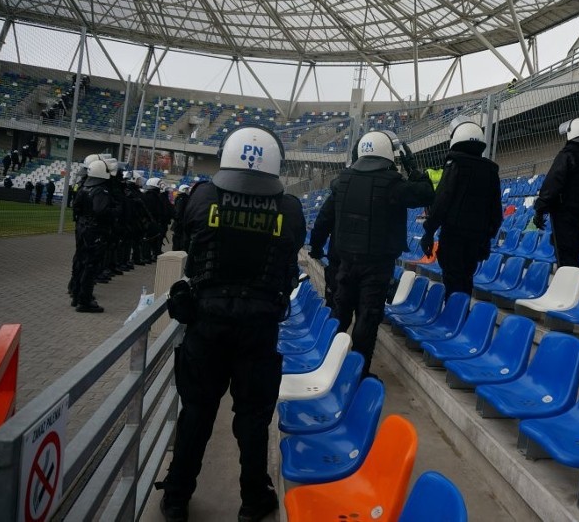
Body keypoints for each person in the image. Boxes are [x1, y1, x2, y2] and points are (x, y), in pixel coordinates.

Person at [157, 126, 305, 522]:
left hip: (207, 323)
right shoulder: (289, 207)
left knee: (197, 413)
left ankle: (175, 497)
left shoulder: (203, 195)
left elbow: (184, 245)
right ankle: (253, 499)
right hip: (259, 328)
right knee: (253, 420)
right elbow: (290, 257)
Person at [318, 131, 434, 376]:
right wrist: (412, 166)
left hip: (346, 261)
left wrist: (318, 247)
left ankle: (330, 365)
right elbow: (426, 193)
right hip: (377, 265)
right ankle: (358, 373)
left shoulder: (342, 181)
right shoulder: (393, 183)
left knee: (340, 313)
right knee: (367, 319)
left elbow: (325, 218)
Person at [421, 119, 502, 298]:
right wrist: (487, 237)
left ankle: (453, 317)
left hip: (454, 235)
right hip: (477, 237)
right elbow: (496, 210)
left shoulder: (455, 164)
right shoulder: (491, 171)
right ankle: (461, 315)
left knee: (453, 277)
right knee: (466, 277)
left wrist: (429, 232)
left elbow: (442, 200)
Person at [533, 118, 579, 268]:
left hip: (564, 210)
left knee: (564, 250)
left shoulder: (568, 155)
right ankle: (574, 278)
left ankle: (568, 284)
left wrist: (540, 209)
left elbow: (553, 184)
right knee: (576, 246)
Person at [71, 159, 115, 312]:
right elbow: (101, 211)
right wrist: (114, 212)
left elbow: (76, 207)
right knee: (91, 265)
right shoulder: (100, 190)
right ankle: (85, 300)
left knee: (81, 261)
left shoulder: (84, 188)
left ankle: (77, 295)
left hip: (83, 228)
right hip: (95, 231)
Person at [171, 184, 191, 251]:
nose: (188, 190)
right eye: (187, 189)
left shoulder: (181, 198)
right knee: (178, 238)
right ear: (184, 190)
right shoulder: (182, 198)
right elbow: (178, 211)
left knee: (180, 238)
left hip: (181, 222)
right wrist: (179, 220)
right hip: (180, 222)